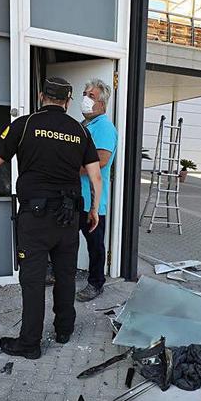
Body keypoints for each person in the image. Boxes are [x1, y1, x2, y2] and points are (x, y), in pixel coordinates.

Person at [0, 77, 103, 360]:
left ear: (41, 96)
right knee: (65, 275)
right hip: (68, 216)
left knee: (34, 280)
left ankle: (30, 343)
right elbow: (96, 176)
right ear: (68, 101)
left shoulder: (23, 125)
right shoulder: (80, 131)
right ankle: (64, 330)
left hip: (35, 218)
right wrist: (94, 210)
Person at [76, 79, 118, 302]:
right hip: (76, 198)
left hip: (92, 201)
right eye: (84, 94)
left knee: (95, 245)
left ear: (102, 103)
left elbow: (101, 161)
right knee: (66, 240)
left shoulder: (104, 127)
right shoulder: (84, 125)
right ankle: (60, 274)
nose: (85, 98)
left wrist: (68, 170)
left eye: (91, 96)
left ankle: (96, 283)